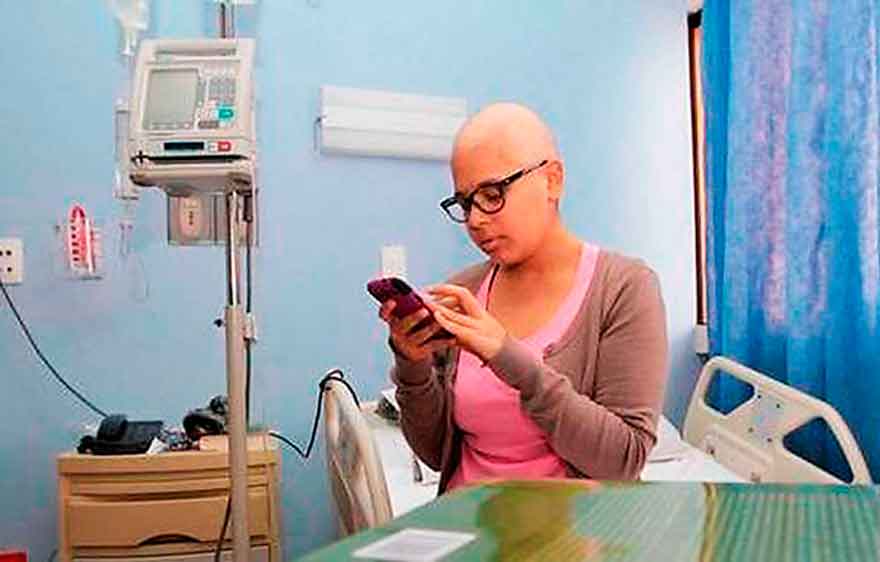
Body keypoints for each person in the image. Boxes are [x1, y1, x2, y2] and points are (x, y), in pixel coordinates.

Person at [378, 103, 668, 493]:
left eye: (492, 194)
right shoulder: (464, 294)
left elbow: (622, 460)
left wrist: (506, 355)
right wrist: (412, 366)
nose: (475, 220)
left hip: (569, 529)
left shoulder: (624, 289)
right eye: (465, 203)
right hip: (465, 521)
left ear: (552, 181)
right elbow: (436, 454)